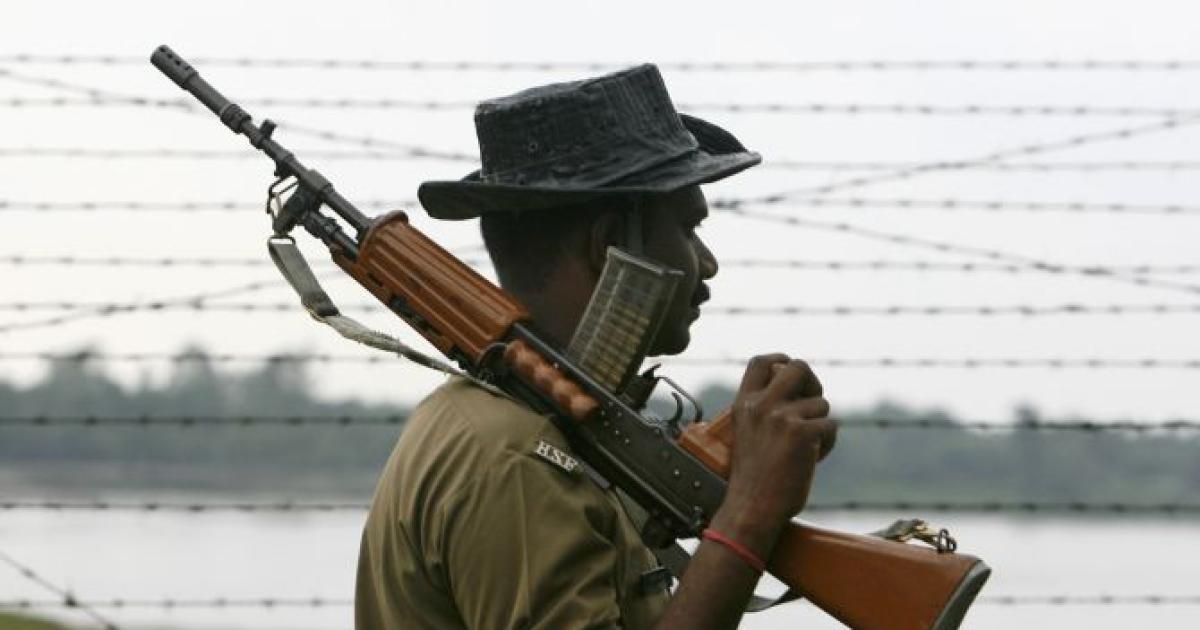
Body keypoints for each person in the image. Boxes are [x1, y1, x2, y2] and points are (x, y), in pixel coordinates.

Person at [355, 64, 837, 630]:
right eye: (688, 229)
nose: (706, 264)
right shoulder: (517, 459)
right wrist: (751, 513)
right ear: (608, 244)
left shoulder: (552, 430)